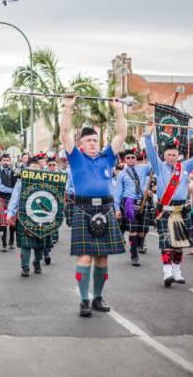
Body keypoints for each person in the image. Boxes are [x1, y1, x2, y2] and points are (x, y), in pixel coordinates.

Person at [60, 95, 127, 317]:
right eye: (89, 140)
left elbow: (121, 134)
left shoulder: (107, 157)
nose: (93, 143)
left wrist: (118, 110)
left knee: (102, 257)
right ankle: (84, 300)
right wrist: (68, 107)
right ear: (81, 144)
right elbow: (64, 133)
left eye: (95, 140)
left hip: (105, 209)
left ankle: (98, 297)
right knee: (85, 257)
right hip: (83, 209)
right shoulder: (76, 158)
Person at [144, 121, 193, 287]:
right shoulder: (158, 167)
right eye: (168, 155)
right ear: (164, 155)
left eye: (174, 155)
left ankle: (177, 271)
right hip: (165, 209)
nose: (171, 158)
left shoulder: (185, 166)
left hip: (181, 210)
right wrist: (148, 134)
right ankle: (167, 273)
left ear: (178, 155)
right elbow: (151, 152)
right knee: (167, 243)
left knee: (179, 244)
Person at [6, 157, 53, 277]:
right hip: (24, 215)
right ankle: (25, 267)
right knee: (26, 245)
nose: (35, 170)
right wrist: (10, 214)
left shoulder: (47, 180)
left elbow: (53, 198)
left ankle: (37, 262)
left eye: (37, 168)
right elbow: (15, 198)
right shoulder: (21, 181)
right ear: (27, 169)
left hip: (42, 216)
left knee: (40, 243)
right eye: (33, 168)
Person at [113, 149, 153, 267]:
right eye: (128, 158)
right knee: (133, 231)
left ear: (136, 158)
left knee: (142, 232)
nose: (130, 160)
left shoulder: (144, 168)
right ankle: (134, 254)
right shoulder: (122, 174)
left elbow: (155, 166)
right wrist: (117, 209)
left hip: (143, 201)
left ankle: (138, 245)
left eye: (133, 157)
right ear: (124, 160)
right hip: (129, 203)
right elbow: (118, 192)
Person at [0, 153, 17, 252]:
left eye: (7, 160)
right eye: (4, 160)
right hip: (2, 199)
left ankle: (11, 242)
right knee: (3, 222)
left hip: (12, 201)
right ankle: (3, 244)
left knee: (12, 222)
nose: (5, 162)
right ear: (0, 161)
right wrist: (13, 191)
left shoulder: (15, 172)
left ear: (10, 161)